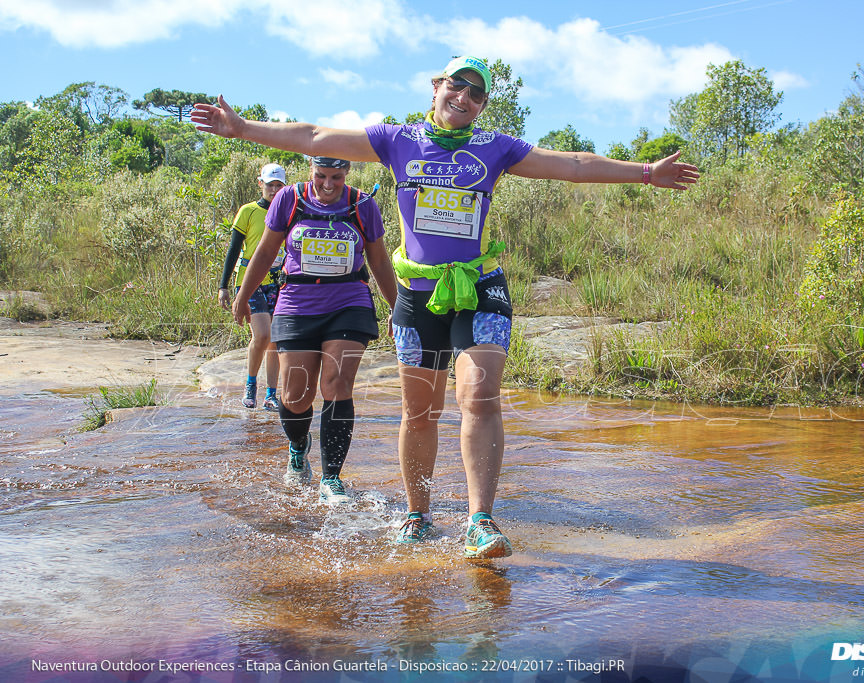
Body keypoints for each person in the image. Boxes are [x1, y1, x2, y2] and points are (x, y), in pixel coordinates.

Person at [192, 55, 700, 558]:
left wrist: (646, 172)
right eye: (457, 85)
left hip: (478, 288)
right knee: (420, 412)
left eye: (477, 93)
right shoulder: (397, 140)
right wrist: (242, 129)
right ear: (436, 86)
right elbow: (314, 138)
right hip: (418, 295)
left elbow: (569, 165)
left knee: (478, 397)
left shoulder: (496, 148)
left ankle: (481, 521)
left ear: (482, 105)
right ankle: (418, 514)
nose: (465, 97)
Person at [231, 156, 398, 504]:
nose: (327, 185)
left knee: (336, 384)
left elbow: (379, 260)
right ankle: (298, 445)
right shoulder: (288, 199)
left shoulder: (363, 205)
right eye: (321, 176)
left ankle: (332, 477)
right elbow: (265, 251)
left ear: (347, 173)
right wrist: (243, 295)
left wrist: (399, 307)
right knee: (295, 396)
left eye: (336, 177)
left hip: (349, 302)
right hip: (297, 302)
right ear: (310, 169)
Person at [217, 162, 287, 410]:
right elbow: (233, 249)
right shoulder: (247, 211)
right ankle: (250, 384)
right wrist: (223, 286)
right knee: (262, 335)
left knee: (275, 340)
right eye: (270, 185)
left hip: (278, 281)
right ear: (261, 184)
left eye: (279, 185)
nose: (274, 190)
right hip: (250, 280)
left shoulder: (290, 211)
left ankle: (271, 394)